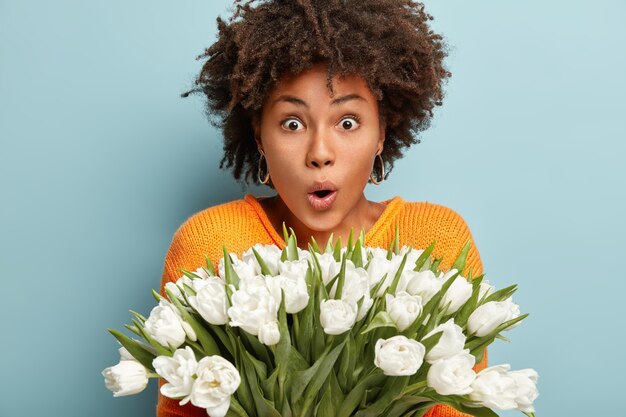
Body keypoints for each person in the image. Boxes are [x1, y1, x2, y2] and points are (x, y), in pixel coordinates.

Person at [158, 1, 486, 416]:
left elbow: (463, 404)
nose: (320, 153)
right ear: (259, 136)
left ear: (381, 133)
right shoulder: (211, 243)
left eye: (347, 122)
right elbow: (181, 410)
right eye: (292, 123)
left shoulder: (436, 239)